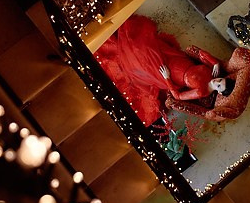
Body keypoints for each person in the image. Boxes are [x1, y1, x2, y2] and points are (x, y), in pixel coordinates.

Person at [94, 14, 235, 126]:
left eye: (218, 85)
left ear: (219, 91)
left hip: (168, 73)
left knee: (141, 52)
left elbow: (178, 96)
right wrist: (215, 62)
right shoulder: (213, 72)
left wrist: (167, 77)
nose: (217, 81)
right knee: (148, 41)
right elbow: (201, 54)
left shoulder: (202, 91)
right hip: (177, 59)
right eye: (220, 80)